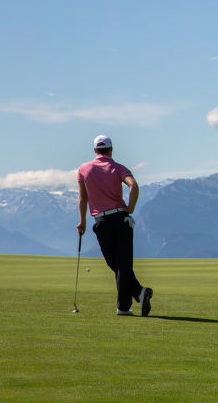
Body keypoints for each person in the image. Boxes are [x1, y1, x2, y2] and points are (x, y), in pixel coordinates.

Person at [77, 135, 152, 316]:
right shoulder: (118, 168)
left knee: (116, 264)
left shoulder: (83, 169)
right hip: (121, 219)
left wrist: (83, 222)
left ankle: (125, 305)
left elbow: (83, 198)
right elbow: (133, 186)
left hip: (101, 222)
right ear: (111, 149)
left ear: (95, 150)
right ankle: (138, 294)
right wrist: (130, 208)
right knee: (122, 265)